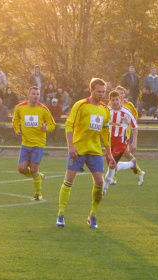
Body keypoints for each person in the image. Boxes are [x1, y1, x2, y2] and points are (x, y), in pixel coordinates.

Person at [56, 78, 114, 229]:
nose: (102, 94)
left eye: (104, 92)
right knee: (69, 179)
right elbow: (69, 126)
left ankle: (93, 215)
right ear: (91, 90)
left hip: (94, 150)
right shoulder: (80, 105)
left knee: (100, 182)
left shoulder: (105, 110)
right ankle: (61, 214)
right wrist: (71, 147)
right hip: (78, 149)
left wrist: (109, 154)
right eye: (99, 91)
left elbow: (105, 133)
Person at [12, 86, 56, 201]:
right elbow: (15, 120)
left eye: (37, 94)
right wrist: (17, 130)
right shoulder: (20, 108)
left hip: (38, 144)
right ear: (28, 95)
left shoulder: (43, 109)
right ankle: (39, 176)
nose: (36, 96)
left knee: (33, 170)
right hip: (25, 144)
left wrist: (46, 128)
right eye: (33, 94)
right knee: (21, 169)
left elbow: (52, 124)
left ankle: (38, 194)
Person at [102, 91, 144, 196]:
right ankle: (132, 164)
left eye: (117, 100)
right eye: (113, 100)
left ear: (120, 99)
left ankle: (103, 191)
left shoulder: (126, 112)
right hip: (109, 141)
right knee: (111, 165)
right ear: (109, 100)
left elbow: (135, 127)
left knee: (112, 165)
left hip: (121, 140)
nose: (115, 102)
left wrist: (134, 142)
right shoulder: (106, 110)